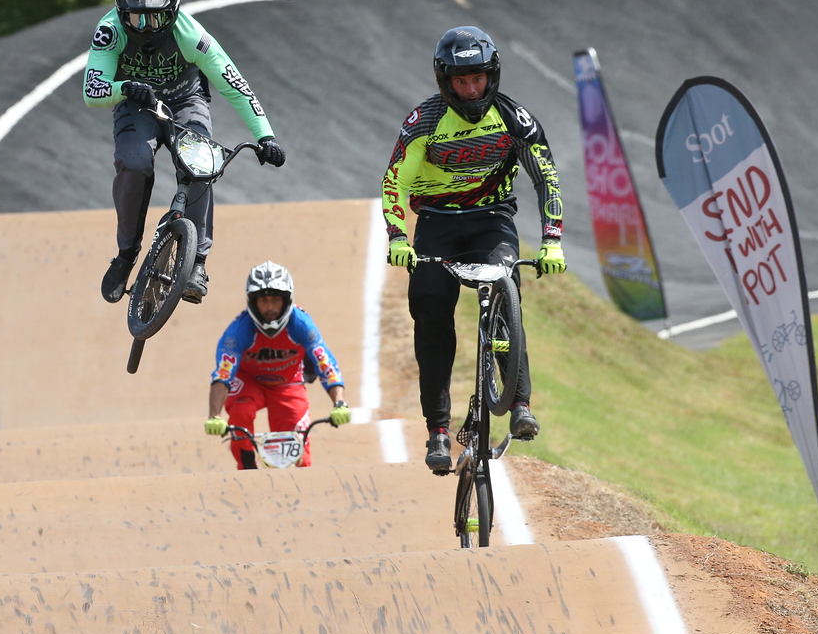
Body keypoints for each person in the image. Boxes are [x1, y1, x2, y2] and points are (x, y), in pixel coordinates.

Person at [380, 25, 566, 475]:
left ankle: (519, 404)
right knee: (430, 312)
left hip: (492, 221)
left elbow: (548, 178)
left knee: (506, 287)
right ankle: (438, 432)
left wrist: (552, 241)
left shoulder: (515, 118)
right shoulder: (422, 122)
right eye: (461, 82)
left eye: (478, 79)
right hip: (437, 225)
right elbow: (394, 183)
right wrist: (399, 237)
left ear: (492, 75)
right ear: (445, 81)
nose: (470, 90)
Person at [83, 0, 286, 306]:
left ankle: (198, 262)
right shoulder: (110, 31)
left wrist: (264, 135)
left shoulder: (191, 35)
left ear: (173, 9)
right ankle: (126, 254)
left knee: (201, 165)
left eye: (155, 17)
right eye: (136, 17)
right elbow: (91, 90)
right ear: (119, 10)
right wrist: (125, 88)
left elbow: (233, 84)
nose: (146, 28)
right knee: (134, 162)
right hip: (136, 103)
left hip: (185, 101)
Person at [204, 261, 351, 469]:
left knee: (300, 454)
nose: (270, 307)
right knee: (241, 411)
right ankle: (246, 468)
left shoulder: (301, 324)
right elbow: (223, 374)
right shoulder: (237, 333)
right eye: (264, 300)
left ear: (287, 300)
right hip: (249, 382)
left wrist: (339, 403)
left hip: (287, 383)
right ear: (253, 302)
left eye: (275, 300)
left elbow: (324, 363)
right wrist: (214, 416)